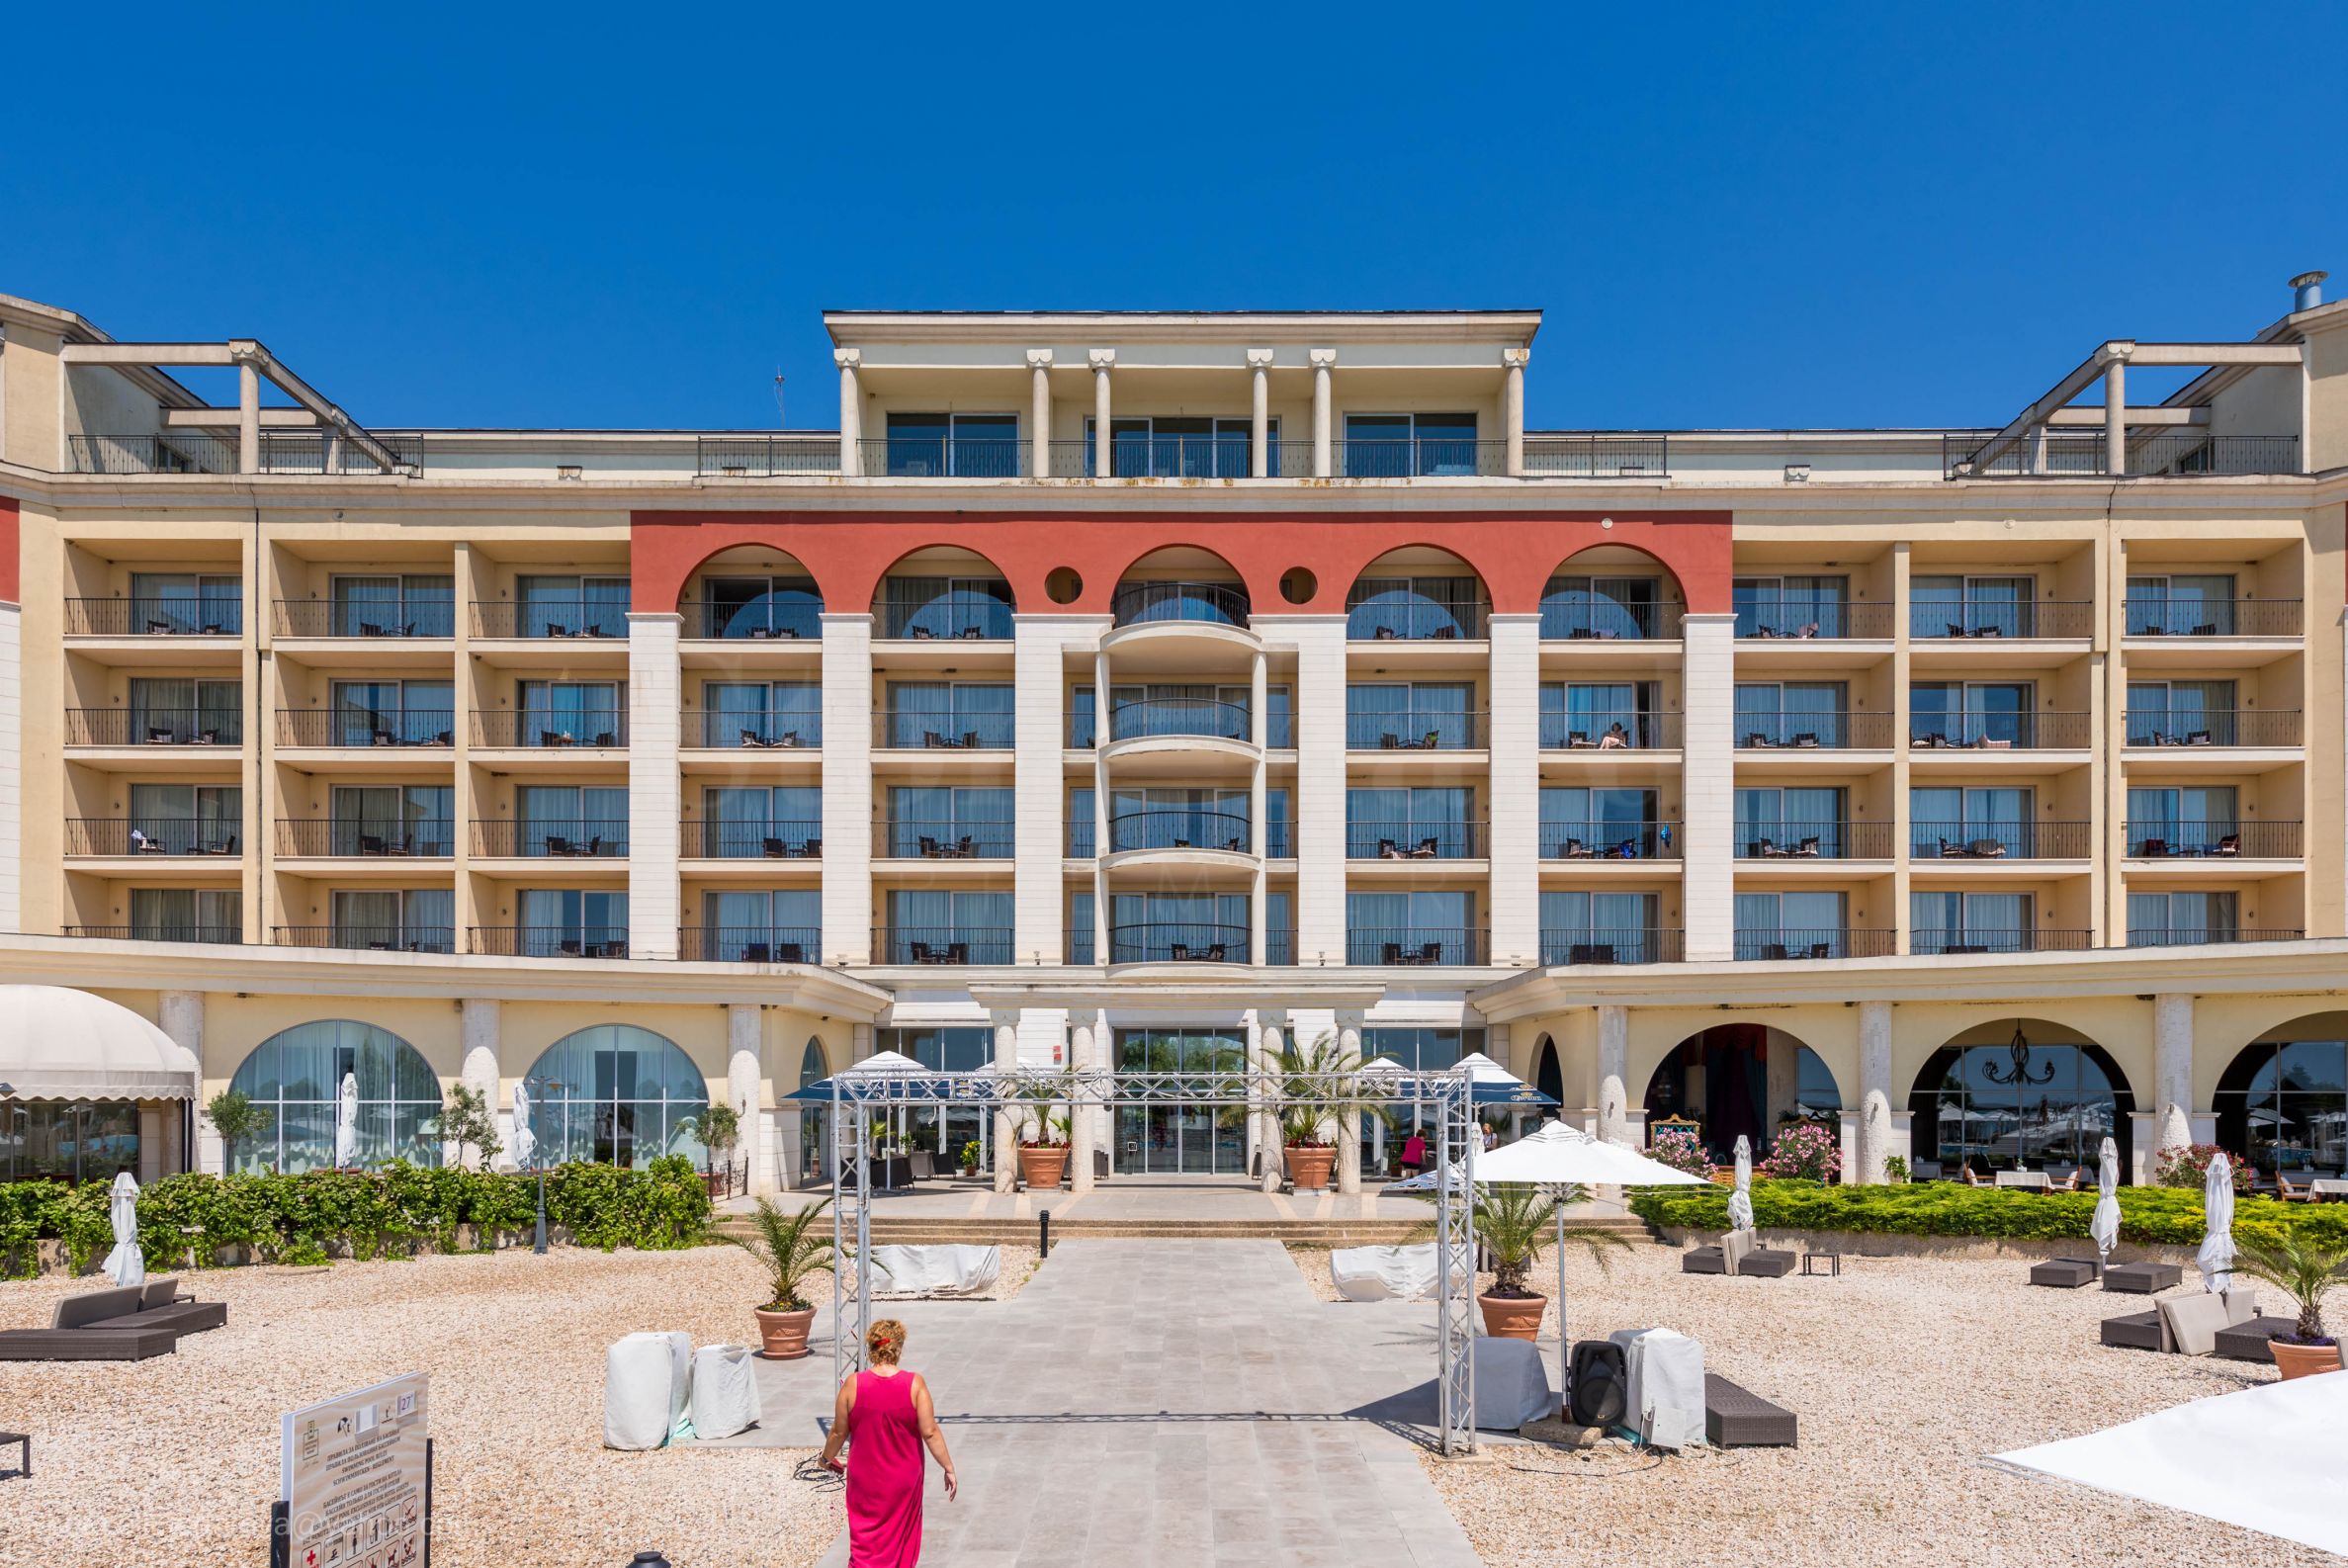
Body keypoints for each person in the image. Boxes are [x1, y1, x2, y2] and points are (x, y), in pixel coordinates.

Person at [821, 1318, 957, 1566]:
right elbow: (930, 1432)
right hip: (903, 1478)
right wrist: (948, 1467)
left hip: (864, 1479)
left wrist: (825, 1459)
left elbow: (838, 1432)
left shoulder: (853, 1384)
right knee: (901, 1540)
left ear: (871, 1348)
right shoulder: (915, 1384)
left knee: (865, 1540)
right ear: (898, 1347)